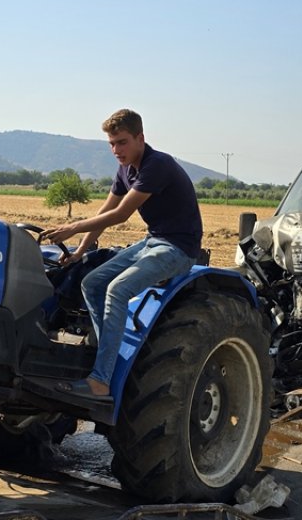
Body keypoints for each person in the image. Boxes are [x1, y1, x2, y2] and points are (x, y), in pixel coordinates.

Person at [41, 109, 203, 403]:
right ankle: (109, 358)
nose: (116, 150)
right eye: (112, 144)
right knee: (91, 283)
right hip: (153, 241)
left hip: (178, 248)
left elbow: (120, 214)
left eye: (122, 142)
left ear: (140, 138)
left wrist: (71, 227)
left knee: (117, 289)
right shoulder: (125, 170)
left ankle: (101, 381)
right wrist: (79, 251)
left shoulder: (158, 165)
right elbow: (104, 212)